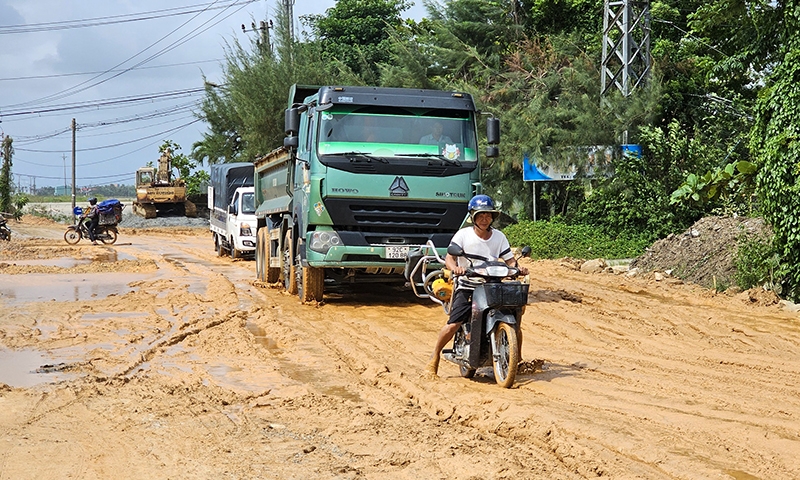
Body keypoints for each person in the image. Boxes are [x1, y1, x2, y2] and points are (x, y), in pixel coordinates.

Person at [425, 194, 528, 376]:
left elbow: (510, 260)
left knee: (516, 320)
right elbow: (450, 257)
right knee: (454, 324)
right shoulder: (463, 235)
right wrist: (455, 268)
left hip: (492, 284)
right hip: (467, 284)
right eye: (481, 215)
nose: (484, 219)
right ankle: (434, 358)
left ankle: (516, 360)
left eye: (488, 215)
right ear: (473, 216)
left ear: (493, 218)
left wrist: (518, 269)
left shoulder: (499, 237)